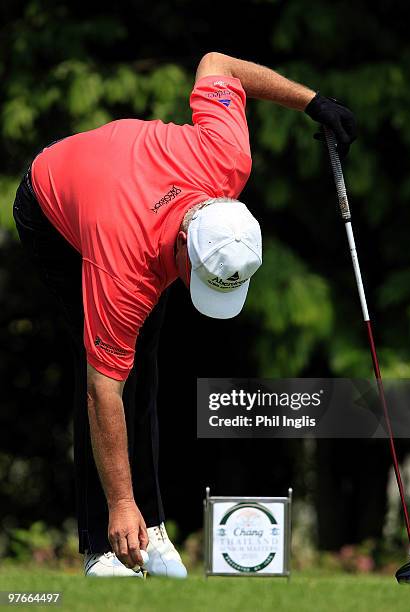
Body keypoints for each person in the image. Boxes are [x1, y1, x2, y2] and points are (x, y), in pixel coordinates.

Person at [12, 52, 356, 578]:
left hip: (126, 185)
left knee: (143, 358)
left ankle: (150, 529)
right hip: (52, 202)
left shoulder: (226, 161)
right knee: (108, 369)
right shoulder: (123, 263)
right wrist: (120, 503)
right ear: (181, 249)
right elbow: (101, 392)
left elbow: (219, 64)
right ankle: (103, 547)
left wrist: (313, 102)